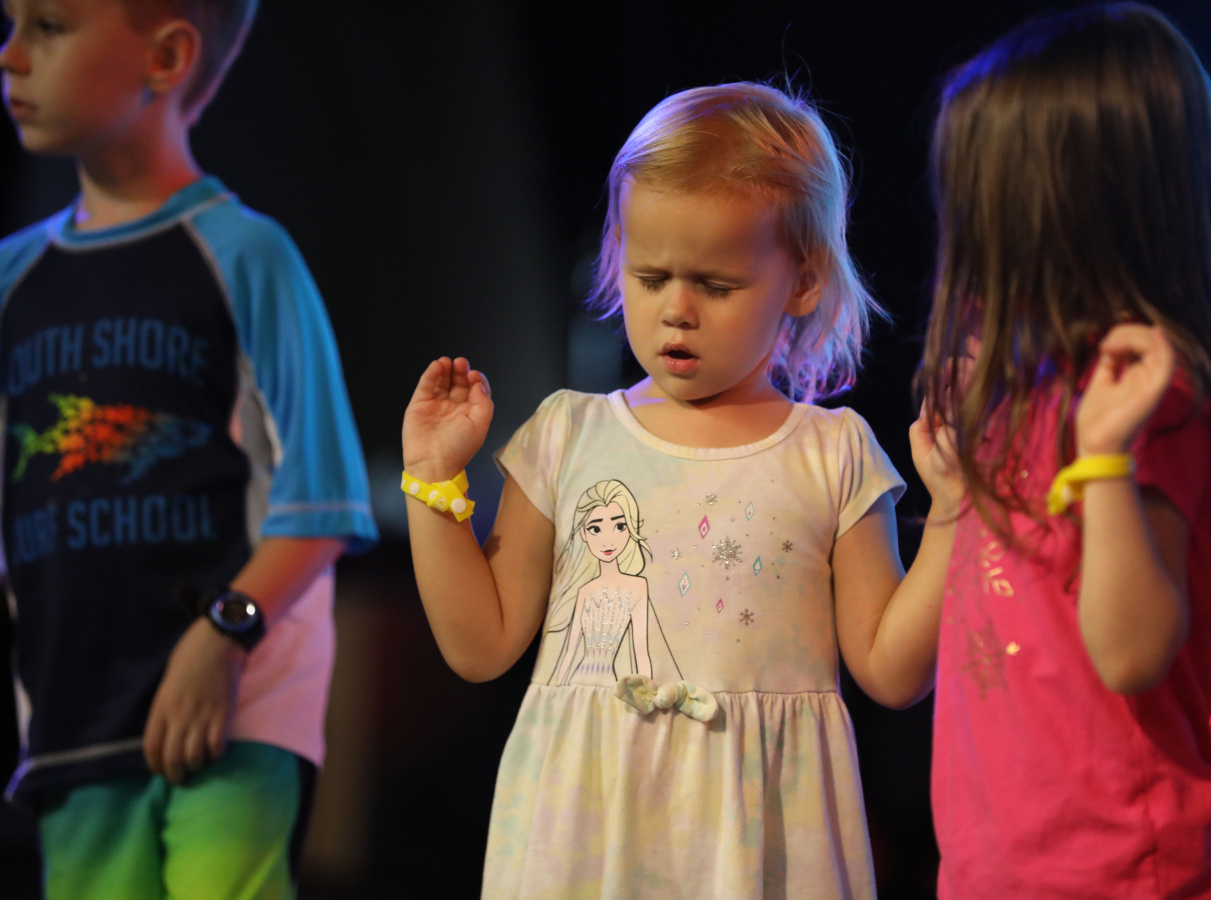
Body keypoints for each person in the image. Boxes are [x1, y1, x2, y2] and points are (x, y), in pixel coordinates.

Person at [402, 82, 957, 898]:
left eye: (716, 285)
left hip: (756, 842)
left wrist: (952, 514)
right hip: (587, 838)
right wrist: (431, 478)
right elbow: (478, 645)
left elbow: (892, 670)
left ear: (803, 280)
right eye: (650, 276)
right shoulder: (568, 433)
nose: (677, 311)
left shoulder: (832, 452)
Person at [916, 4, 1211, 897]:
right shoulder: (1022, 397)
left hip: (1126, 879)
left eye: (991, 195)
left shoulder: (1147, 398)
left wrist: (1101, 455)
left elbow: (1130, 653)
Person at [0, 1, 377, 897]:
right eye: (9, 23)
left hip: (234, 707)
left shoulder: (247, 256)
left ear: (165, 58)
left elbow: (322, 504)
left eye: (48, 27)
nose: (10, 55)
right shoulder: (13, 279)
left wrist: (221, 638)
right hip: (78, 719)